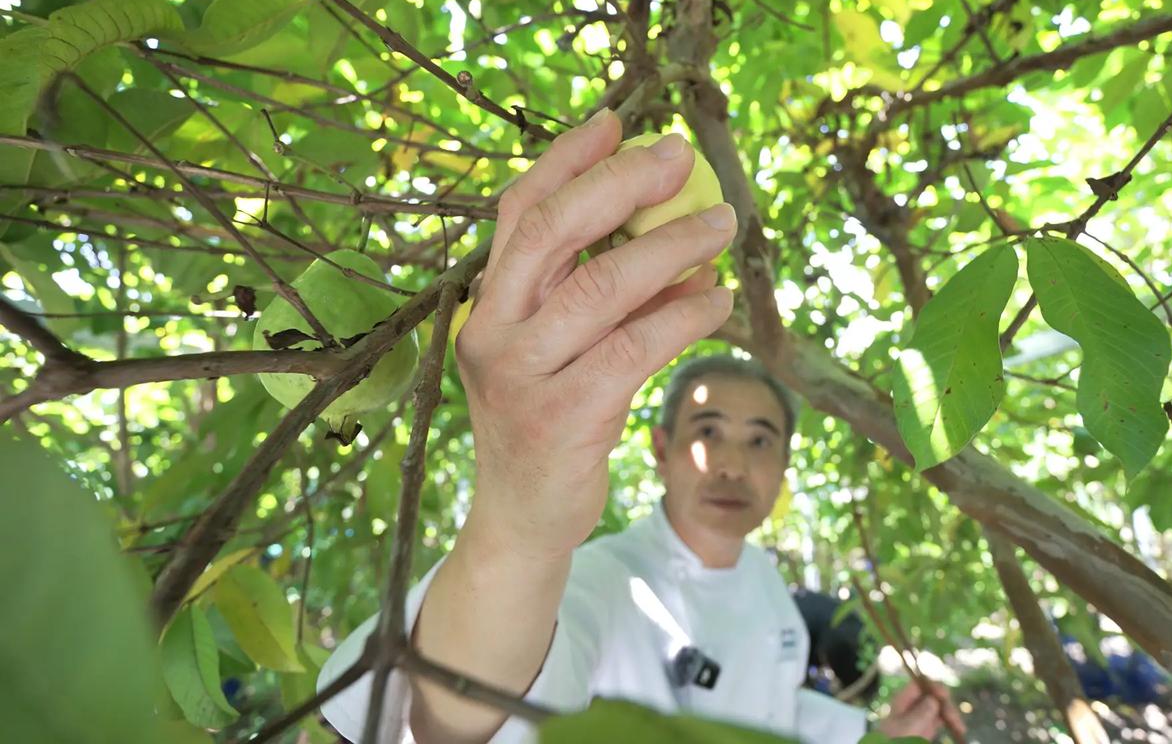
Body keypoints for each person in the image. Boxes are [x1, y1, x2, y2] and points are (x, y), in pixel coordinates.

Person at [316, 110, 965, 743]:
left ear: (784, 465)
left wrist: (882, 735)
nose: (733, 462)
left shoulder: (766, 584)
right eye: (708, 431)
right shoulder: (606, 579)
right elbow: (450, 711)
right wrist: (517, 527)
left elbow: (767, 718)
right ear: (662, 448)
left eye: (760, 439)